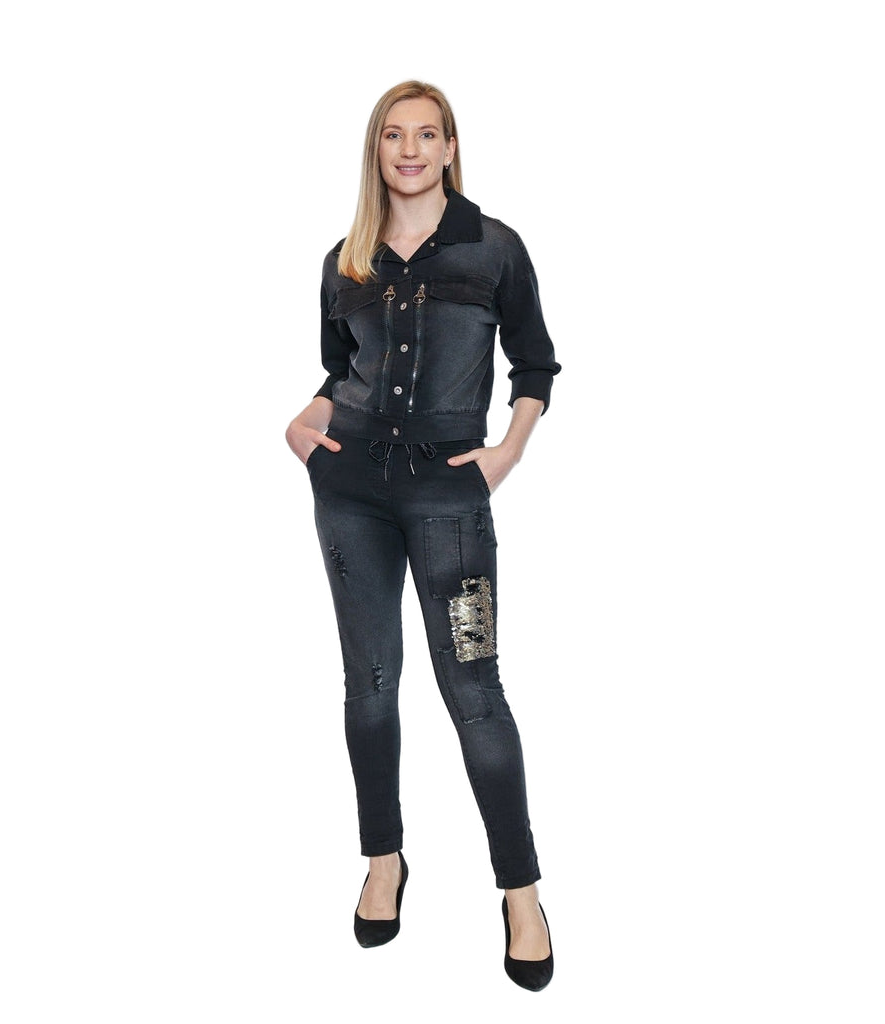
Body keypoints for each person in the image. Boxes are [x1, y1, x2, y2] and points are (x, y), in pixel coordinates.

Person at [285, 80, 561, 991]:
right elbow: (340, 368)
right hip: (351, 490)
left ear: (449, 148)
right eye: (393, 135)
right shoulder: (346, 259)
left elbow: (535, 362)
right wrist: (305, 423)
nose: (409, 150)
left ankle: (521, 890)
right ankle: (383, 859)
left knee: (474, 687)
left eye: (426, 134)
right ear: (377, 150)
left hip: (450, 494)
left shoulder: (493, 247)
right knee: (369, 684)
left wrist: (506, 453)